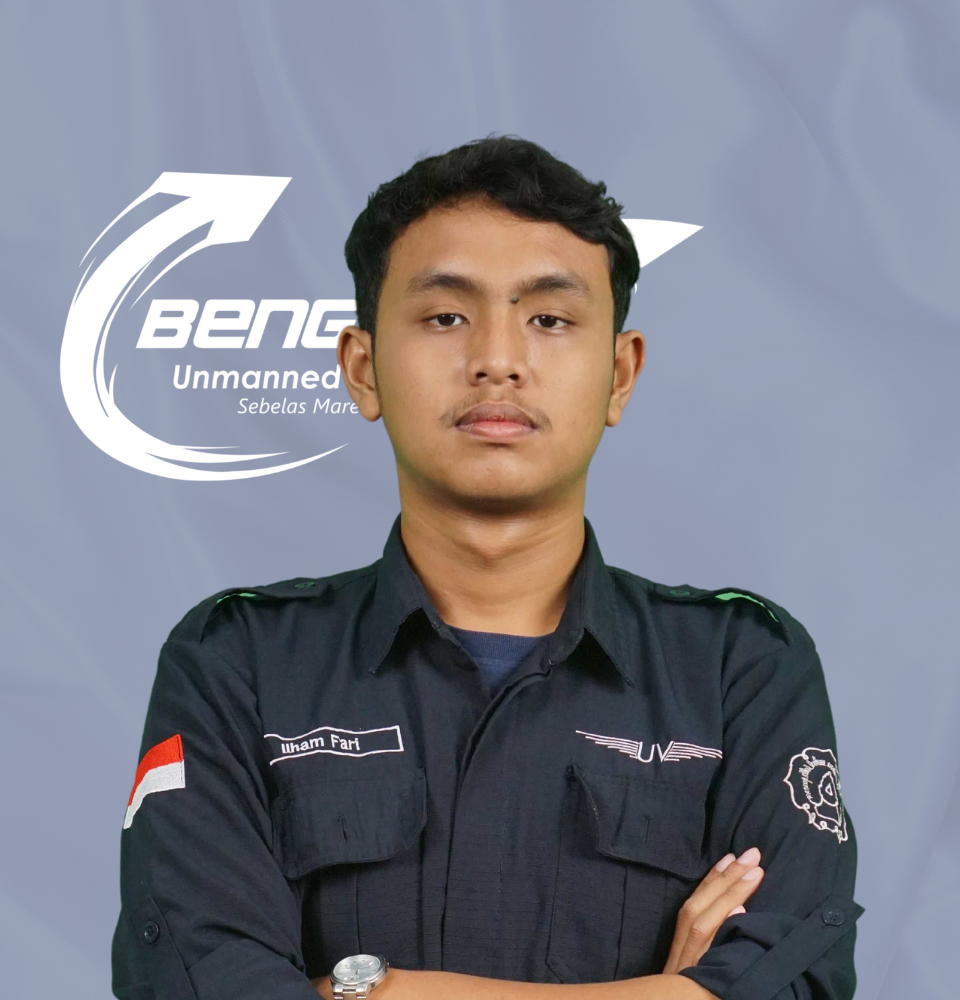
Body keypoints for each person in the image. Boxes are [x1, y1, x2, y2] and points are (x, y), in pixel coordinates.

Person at [112, 137, 860, 1000]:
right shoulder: (237, 663)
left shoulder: (741, 669)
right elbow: (195, 983)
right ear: (362, 369)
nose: (497, 359)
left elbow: (798, 984)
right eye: (444, 317)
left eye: (549, 319)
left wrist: (371, 992)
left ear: (620, 375)